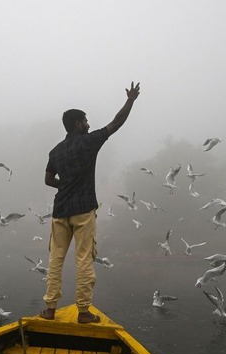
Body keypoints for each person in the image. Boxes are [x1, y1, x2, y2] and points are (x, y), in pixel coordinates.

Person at [40, 81, 141, 323]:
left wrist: (63, 185)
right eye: (85, 121)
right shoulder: (88, 142)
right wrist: (130, 100)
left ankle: (50, 309)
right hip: (83, 210)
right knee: (84, 259)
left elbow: (47, 179)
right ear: (78, 124)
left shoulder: (56, 151)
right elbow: (116, 123)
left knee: (55, 260)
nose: (89, 124)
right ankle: (83, 312)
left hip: (60, 211)